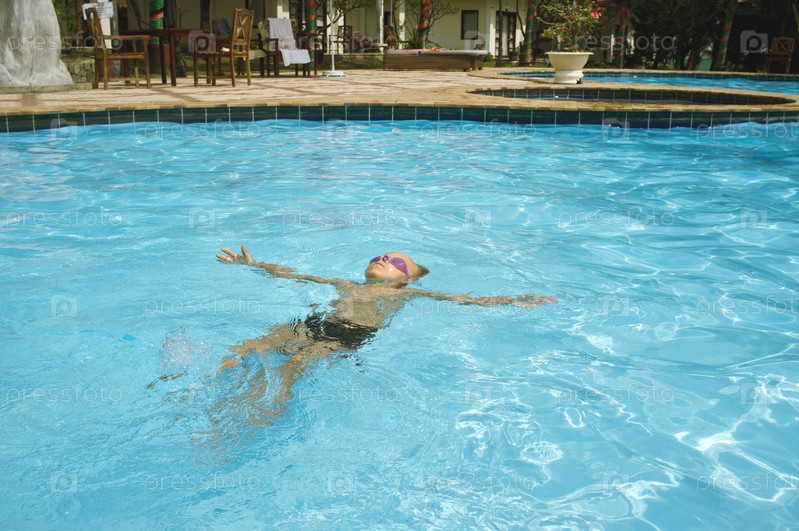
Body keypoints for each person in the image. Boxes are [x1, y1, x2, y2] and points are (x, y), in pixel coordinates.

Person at [213, 244, 556, 424]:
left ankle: (269, 411)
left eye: (394, 261)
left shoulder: (405, 293)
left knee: (293, 365)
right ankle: (213, 381)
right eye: (378, 256)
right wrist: (253, 265)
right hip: (314, 322)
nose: (382, 260)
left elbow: (464, 300)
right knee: (248, 346)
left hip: (348, 334)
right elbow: (293, 274)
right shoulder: (344, 283)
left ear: (407, 278)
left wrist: (515, 300)